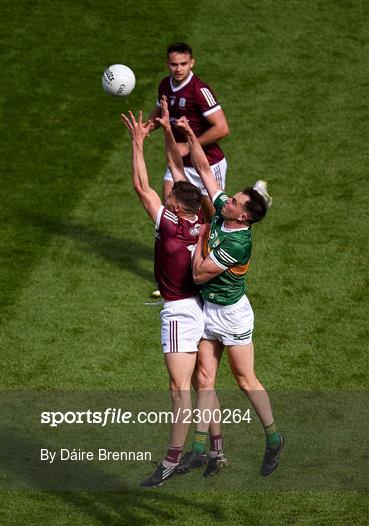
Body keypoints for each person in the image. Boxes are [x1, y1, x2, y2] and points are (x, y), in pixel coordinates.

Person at [174, 117, 285, 477]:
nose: (226, 199)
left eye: (234, 200)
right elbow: (205, 170)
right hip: (209, 310)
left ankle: (273, 438)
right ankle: (199, 449)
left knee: (244, 380)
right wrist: (190, 134)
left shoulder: (237, 241)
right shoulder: (226, 213)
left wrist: (199, 237)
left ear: (246, 215)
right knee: (204, 378)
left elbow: (198, 273)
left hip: (233, 316)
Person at [121, 102, 205, 488]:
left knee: (178, 389)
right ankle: (212, 447)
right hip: (204, 308)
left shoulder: (169, 224)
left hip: (178, 313)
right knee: (204, 382)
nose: (166, 200)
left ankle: (172, 459)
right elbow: (179, 171)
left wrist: (138, 142)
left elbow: (141, 186)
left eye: (170, 200)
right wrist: (171, 132)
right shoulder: (202, 225)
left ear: (176, 208)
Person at [146, 42, 230, 223]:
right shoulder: (164, 86)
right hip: (178, 162)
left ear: (192, 63)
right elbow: (160, 111)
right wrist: (147, 127)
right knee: (171, 214)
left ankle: (207, 251)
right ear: (167, 63)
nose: (178, 69)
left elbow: (222, 128)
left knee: (212, 221)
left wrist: (190, 145)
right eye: (174, 64)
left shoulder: (199, 90)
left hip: (208, 164)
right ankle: (182, 250)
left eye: (183, 64)